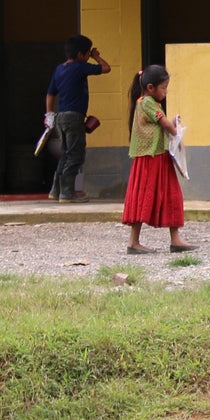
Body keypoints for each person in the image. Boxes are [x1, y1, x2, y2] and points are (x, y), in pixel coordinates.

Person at [122, 66, 193, 255]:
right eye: (164, 88)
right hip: (150, 159)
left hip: (159, 157)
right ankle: (133, 242)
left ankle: (175, 239)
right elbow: (164, 124)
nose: (166, 92)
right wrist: (176, 131)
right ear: (151, 87)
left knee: (171, 194)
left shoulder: (149, 102)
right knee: (144, 196)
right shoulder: (147, 102)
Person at [44, 35, 111, 203]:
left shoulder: (59, 69)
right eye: (88, 52)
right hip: (74, 117)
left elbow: (50, 94)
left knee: (66, 154)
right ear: (81, 54)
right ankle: (67, 193)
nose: (90, 55)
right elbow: (106, 68)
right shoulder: (80, 67)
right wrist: (96, 57)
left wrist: (49, 114)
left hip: (60, 117)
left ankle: (56, 190)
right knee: (75, 156)